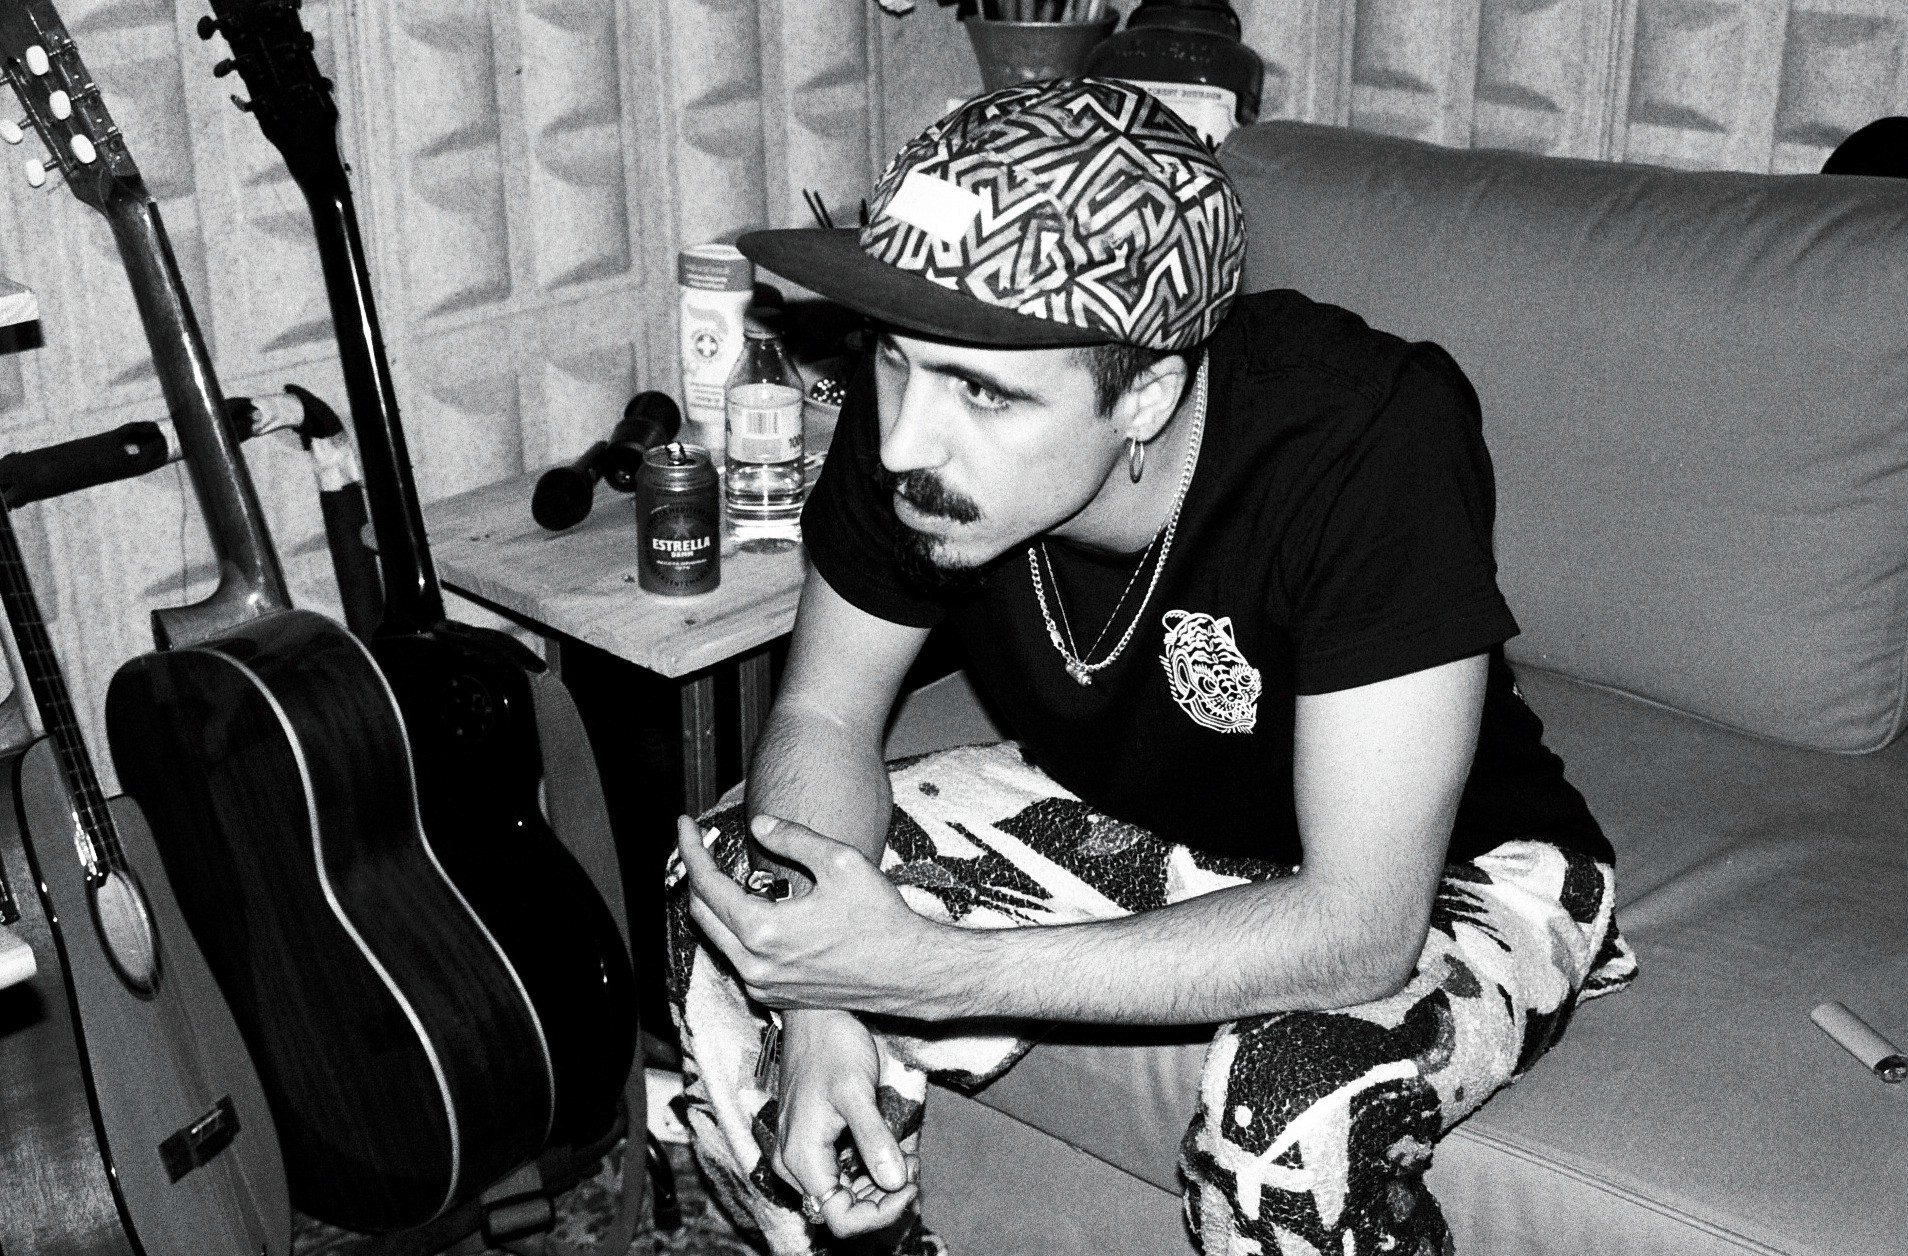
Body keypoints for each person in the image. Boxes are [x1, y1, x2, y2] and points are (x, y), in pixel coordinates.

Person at [666, 78, 1636, 1256]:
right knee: (735, 886)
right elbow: (822, 715)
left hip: (1444, 867)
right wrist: (824, 995)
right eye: (893, 362)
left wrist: (927, 972)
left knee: (1294, 1105)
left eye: (986, 391)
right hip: (1141, 818)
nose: (908, 441)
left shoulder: (1367, 440)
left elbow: (1364, 923)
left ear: (1151, 393)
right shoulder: (918, 443)